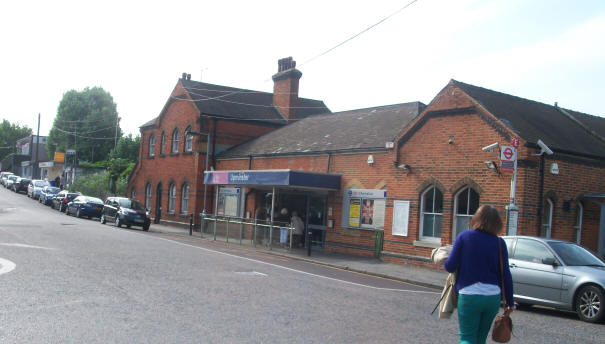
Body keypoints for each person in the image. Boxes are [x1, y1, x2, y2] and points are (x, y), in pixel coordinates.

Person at [444, 205, 514, 344]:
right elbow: (506, 274)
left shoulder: (464, 237)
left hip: (469, 294)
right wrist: (510, 302)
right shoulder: (500, 243)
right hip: (492, 297)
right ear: (497, 223)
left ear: (476, 219)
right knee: (480, 339)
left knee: (467, 338)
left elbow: (450, 266)